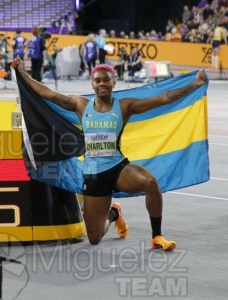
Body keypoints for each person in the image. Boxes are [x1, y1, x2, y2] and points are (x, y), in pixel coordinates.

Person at [12, 56, 207, 250]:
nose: (102, 84)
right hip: (94, 174)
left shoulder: (124, 106)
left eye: (106, 80)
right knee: (95, 238)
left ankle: (157, 236)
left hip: (117, 167)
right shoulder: (81, 105)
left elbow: (162, 98)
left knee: (150, 182)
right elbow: (46, 93)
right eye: (98, 80)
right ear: (92, 84)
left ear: (114, 82)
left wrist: (195, 84)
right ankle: (114, 214)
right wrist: (21, 73)